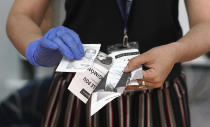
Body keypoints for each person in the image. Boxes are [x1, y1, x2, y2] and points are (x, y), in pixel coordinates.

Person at [6, 0, 210, 126]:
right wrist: (35, 48)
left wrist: (175, 52)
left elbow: (206, 23)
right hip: (80, 92)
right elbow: (21, 15)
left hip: (158, 91)